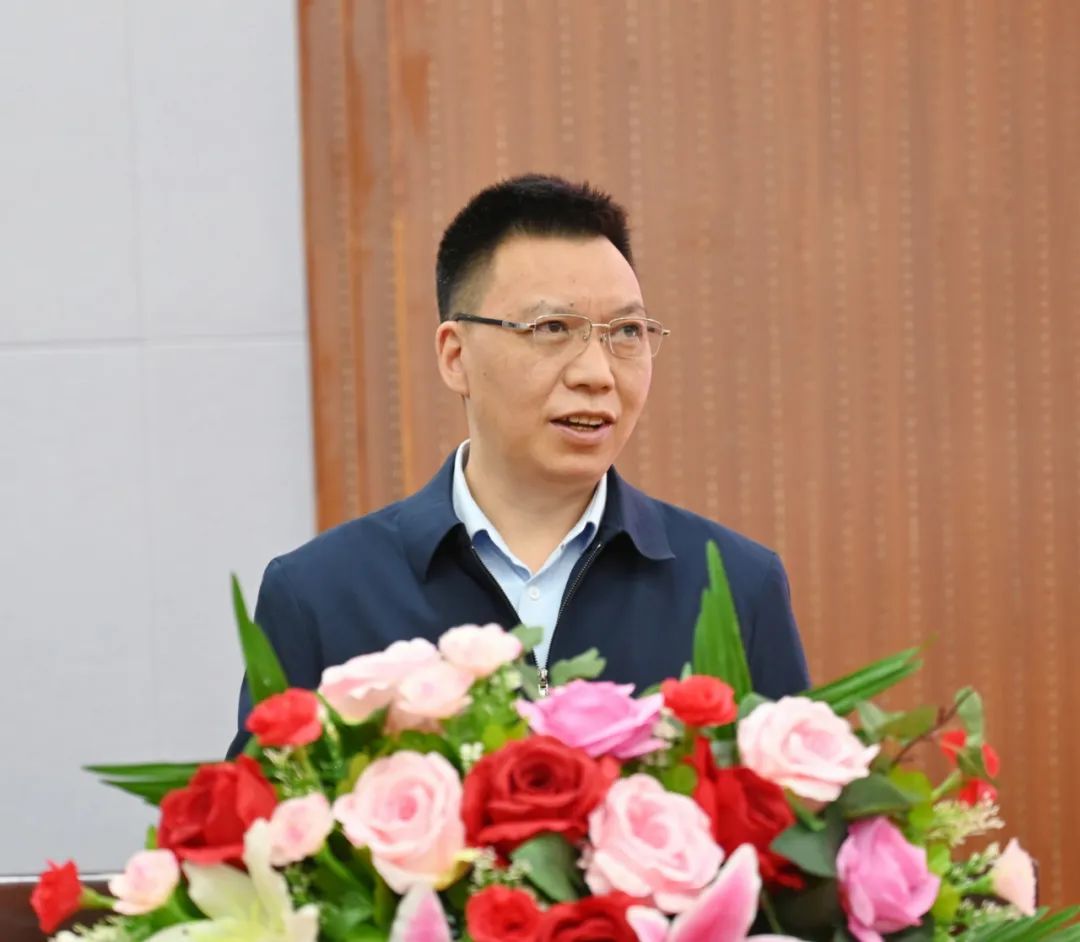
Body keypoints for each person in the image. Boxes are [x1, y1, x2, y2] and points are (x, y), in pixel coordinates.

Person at [228, 174, 808, 755]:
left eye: (626, 332)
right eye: (552, 329)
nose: (597, 374)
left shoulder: (737, 585)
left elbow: (789, 810)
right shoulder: (320, 594)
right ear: (455, 356)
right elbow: (266, 808)